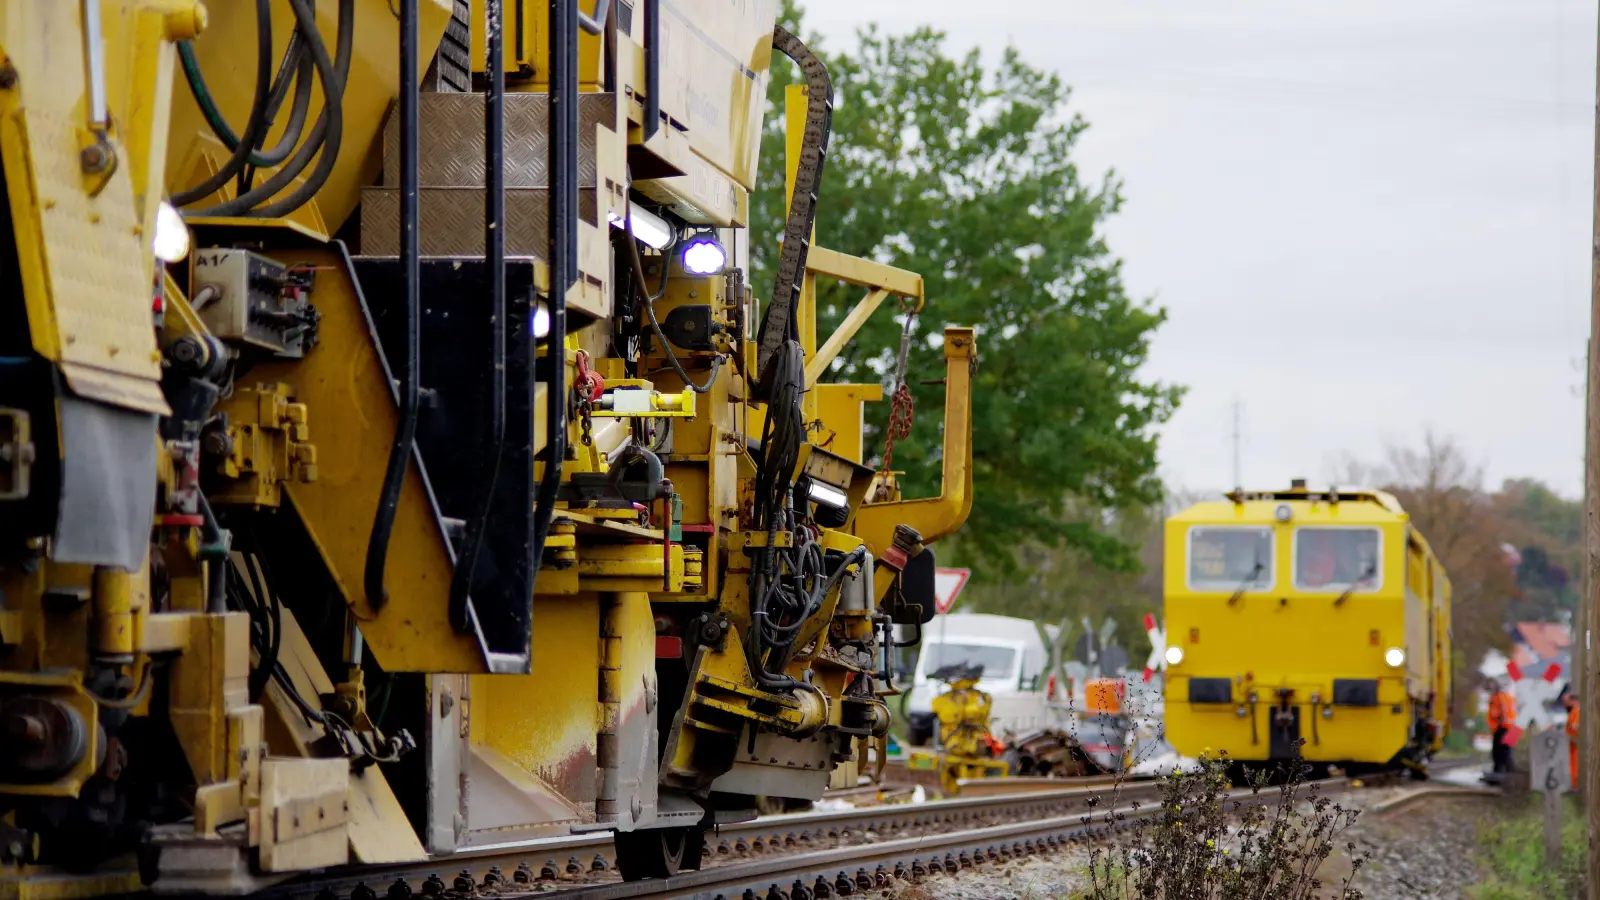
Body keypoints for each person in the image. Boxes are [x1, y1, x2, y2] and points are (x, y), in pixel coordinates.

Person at [1486, 679, 1516, 774]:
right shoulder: (1507, 696)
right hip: (1510, 727)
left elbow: (1503, 709)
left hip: (1503, 727)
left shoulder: (1499, 696)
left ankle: (1500, 770)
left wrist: (1500, 722)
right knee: (1506, 751)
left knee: (1499, 751)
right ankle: (1507, 770)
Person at [1565, 690, 1580, 788]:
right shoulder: (1574, 712)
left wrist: (1571, 737)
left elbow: (1575, 727)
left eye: (1566, 701)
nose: (1565, 704)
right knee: (1573, 764)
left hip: (1575, 742)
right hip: (1572, 743)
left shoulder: (1576, 711)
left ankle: (1575, 785)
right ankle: (1574, 784)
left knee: (1575, 764)